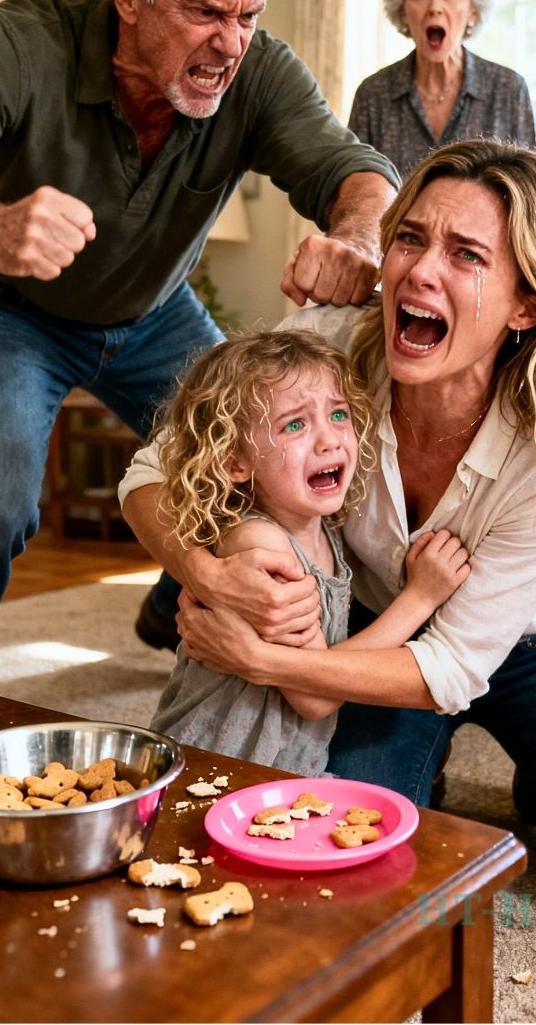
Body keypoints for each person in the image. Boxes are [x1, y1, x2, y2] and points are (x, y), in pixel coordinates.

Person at [121, 139, 536, 925]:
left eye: (465, 254)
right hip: (372, 629)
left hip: (529, 643)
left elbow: (457, 662)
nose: (420, 271)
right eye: (410, 238)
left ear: (526, 304)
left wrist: (262, 658)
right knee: (344, 851)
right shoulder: (328, 340)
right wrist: (206, 574)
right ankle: (425, 765)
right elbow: (150, 472)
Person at [0, 0, 399, 688]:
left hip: (155, 312)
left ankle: (164, 603)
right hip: (10, 308)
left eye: (247, 16)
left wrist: (355, 238)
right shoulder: (23, 40)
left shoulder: (258, 73)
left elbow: (357, 171)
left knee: (263, 462)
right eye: (206, 13)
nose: (231, 42)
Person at [149, 328, 469, 775]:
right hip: (216, 765)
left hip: (283, 765)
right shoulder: (263, 548)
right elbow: (315, 695)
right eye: (295, 424)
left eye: (338, 415)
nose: (329, 440)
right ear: (233, 462)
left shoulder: (326, 530)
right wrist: (421, 598)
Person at [348, 0, 536, 177]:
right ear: (403, 11)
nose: (435, 7)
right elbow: (355, 191)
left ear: (472, 10)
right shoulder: (373, 95)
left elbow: (532, 196)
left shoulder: (508, 90)